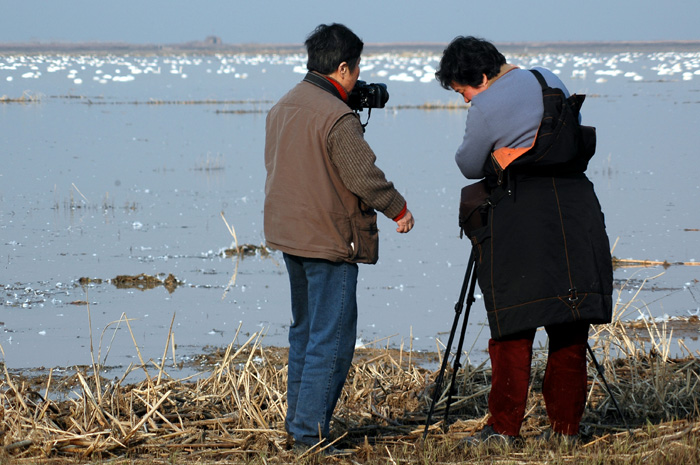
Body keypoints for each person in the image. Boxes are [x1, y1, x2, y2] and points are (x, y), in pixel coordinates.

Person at [436, 36, 612, 445]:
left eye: (463, 90)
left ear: (481, 77)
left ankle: (503, 429)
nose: (465, 100)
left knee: (513, 325)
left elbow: (467, 164)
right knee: (570, 324)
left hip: (520, 213)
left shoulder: (487, 104)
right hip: (575, 207)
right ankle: (566, 431)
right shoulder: (550, 78)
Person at [264, 23, 415, 453]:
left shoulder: (284, 104)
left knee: (305, 334)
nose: (359, 78)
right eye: (357, 69)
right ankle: (310, 436)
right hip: (328, 239)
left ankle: (299, 428)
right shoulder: (337, 116)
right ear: (344, 67)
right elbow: (362, 175)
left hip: (289, 234)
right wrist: (398, 210)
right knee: (331, 340)